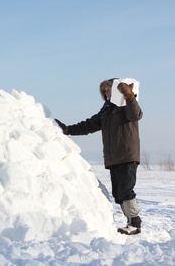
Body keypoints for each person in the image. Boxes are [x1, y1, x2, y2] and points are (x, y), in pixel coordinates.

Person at [55, 79, 143, 235]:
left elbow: (136, 115)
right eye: (105, 91)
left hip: (127, 155)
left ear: (117, 91)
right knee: (118, 193)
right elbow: (88, 125)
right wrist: (68, 130)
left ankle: (135, 223)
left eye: (110, 89)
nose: (107, 92)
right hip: (114, 158)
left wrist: (129, 95)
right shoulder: (106, 111)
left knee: (126, 190)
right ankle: (130, 221)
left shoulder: (125, 106)